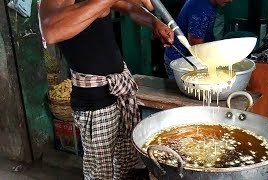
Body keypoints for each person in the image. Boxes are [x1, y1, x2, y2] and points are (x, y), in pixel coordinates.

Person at [39, 0, 174, 179]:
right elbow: (51, 32)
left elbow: (129, 6)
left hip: (119, 89)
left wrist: (154, 22)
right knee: (100, 173)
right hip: (94, 101)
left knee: (128, 164)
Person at [164, 0, 232, 79]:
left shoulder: (210, 3)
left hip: (192, 58)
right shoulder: (201, 7)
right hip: (182, 61)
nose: (231, 1)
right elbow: (195, 44)